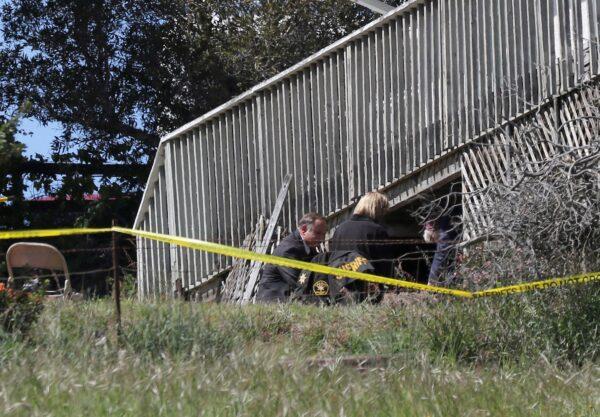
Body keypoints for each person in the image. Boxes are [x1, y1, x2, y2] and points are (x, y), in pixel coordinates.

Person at [329, 192, 394, 300]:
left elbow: (333, 256)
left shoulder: (340, 229)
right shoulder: (377, 230)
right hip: (368, 288)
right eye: (384, 210)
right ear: (377, 209)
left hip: (341, 285)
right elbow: (385, 263)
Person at [255, 212, 327, 303]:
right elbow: (300, 283)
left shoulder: (308, 248)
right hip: (273, 305)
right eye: (318, 233)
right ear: (304, 229)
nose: (322, 239)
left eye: (323, 234)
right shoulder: (288, 250)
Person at [424, 214, 458, 286]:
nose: (437, 241)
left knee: (441, 250)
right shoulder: (432, 223)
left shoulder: (442, 231)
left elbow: (439, 256)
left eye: (435, 240)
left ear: (432, 236)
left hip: (449, 213)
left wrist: (431, 280)